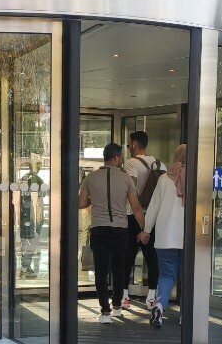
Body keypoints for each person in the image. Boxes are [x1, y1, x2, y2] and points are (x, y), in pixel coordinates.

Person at [78, 142, 146, 323]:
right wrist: (144, 229)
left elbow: (81, 203)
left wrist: (94, 199)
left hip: (99, 229)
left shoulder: (90, 178)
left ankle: (105, 312)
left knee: (101, 271)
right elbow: (136, 208)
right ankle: (117, 307)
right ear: (116, 157)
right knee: (118, 269)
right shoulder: (126, 179)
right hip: (120, 230)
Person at [139, 143, 186, 330]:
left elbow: (153, 207)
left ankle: (159, 306)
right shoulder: (195, 178)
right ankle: (185, 315)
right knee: (187, 277)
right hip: (188, 239)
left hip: (165, 237)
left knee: (166, 275)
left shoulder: (164, 178)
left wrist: (146, 230)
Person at [121, 130, 164, 310]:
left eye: (129, 144)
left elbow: (128, 188)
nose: (129, 147)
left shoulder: (132, 163)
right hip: (152, 217)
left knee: (128, 256)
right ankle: (152, 296)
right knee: (152, 258)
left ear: (135, 144)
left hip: (132, 215)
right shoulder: (160, 164)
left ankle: (124, 296)